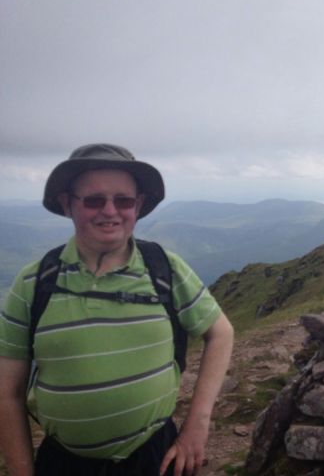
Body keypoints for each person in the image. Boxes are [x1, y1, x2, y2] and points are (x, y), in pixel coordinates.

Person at [0, 144, 234, 476]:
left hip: (156, 456)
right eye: (94, 200)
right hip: (65, 465)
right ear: (67, 203)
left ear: (138, 205)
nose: (110, 211)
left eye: (123, 201)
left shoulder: (165, 268)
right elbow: (7, 394)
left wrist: (198, 424)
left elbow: (221, 332)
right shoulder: (33, 283)